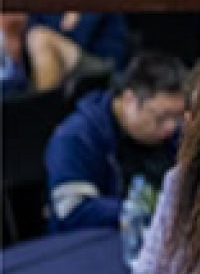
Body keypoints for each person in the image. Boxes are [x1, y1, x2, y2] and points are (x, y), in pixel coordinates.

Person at [44, 51, 187, 232]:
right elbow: (72, 209)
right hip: (92, 241)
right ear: (129, 100)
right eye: (162, 117)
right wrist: (145, 209)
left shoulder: (173, 135)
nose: (171, 127)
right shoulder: (75, 137)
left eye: (177, 117)